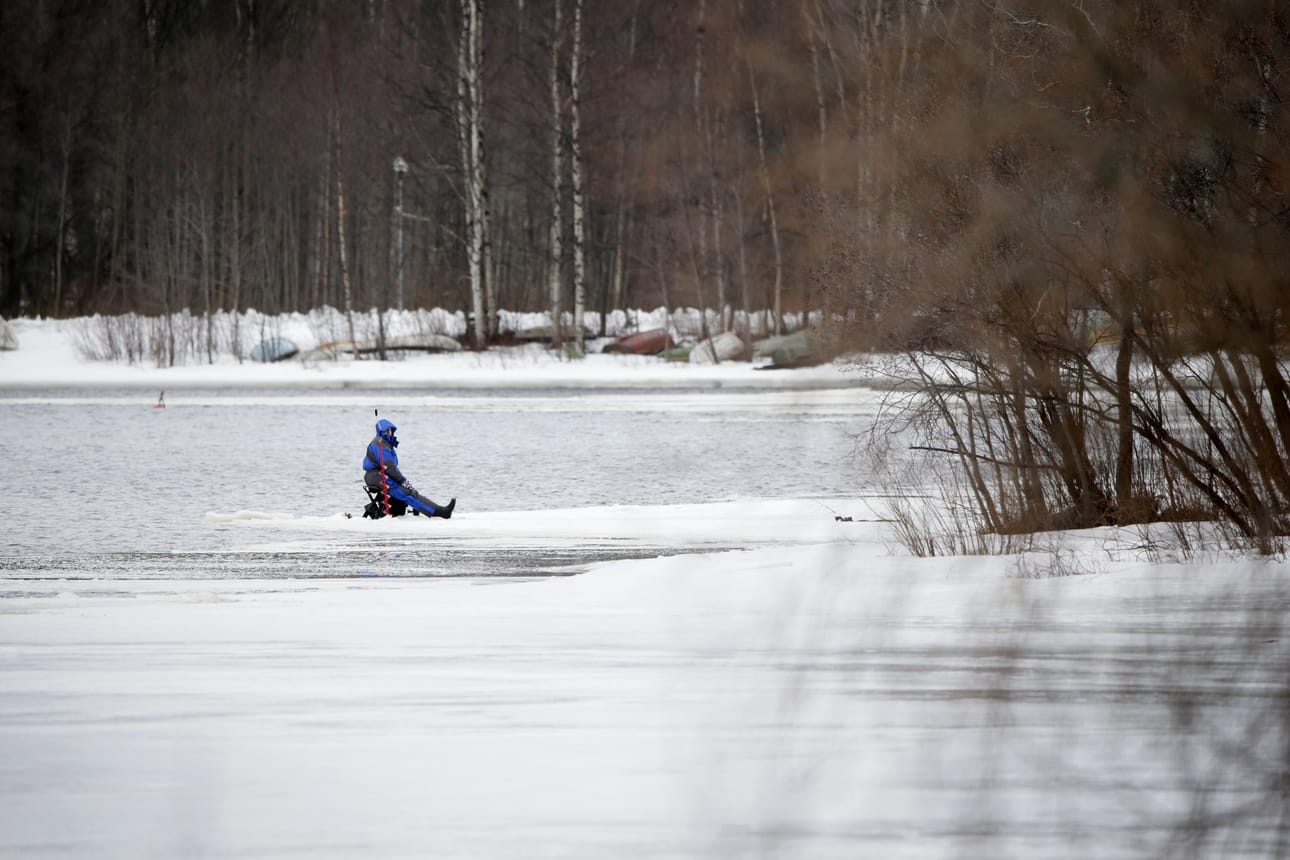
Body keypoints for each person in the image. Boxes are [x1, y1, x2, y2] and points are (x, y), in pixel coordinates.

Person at [362, 418, 456, 519]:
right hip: (378, 477)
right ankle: (439, 512)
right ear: (382, 431)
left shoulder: (385, 443)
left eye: (390, 430)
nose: (389, 432)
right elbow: (389, 467)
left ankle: (434, 509)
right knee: (405, 493)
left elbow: (390, 468)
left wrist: (404, 482)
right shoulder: (380, 444)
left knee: (410, 491)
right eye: (387, 430)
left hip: (381, 475)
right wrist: (403, 481)